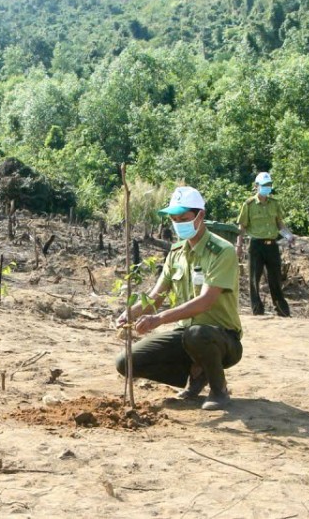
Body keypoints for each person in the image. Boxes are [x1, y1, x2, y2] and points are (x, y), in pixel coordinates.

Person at [114, 186, 243, 411]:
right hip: (186, 336)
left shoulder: (222, 251)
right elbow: (155, 297)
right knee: (126, 362)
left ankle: (219, 389)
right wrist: (130, 313)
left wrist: (159, 319)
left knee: (198, 334)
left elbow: (205, 301)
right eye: (174, 220)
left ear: (200, 216)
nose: (178, 224)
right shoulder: (176, 253)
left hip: (222, 339)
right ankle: (196, 372)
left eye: (183, 219)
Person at [236, 172, 291, 317]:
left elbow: (280, 224)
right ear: (256, 186)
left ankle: (281, 310)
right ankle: (257, 310)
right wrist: (239, 246)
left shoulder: (274, 204)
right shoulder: (249, 205)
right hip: (256, 245)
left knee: (275, 278)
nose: (267, 187)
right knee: (254, 279)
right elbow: (242, 227)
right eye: (264, 185)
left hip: (272, 245)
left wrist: (289, 236)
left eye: (269, 185)